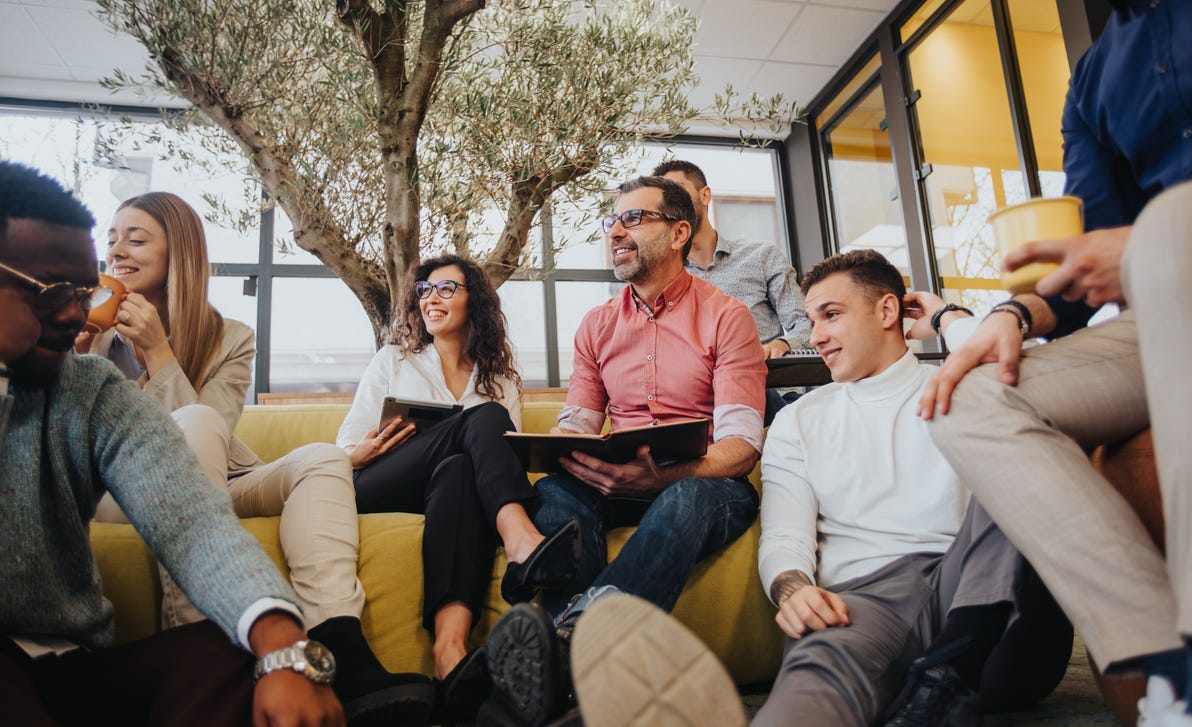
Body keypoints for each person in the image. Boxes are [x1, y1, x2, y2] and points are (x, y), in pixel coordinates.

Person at [917, 3, 1192, 725]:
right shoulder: (1094, 77)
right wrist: (1011, 315)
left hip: (1179, 258)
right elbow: (1092, 253)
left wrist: (1145, 245)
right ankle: (1164, 664)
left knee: (1168, 230)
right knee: (967, 399)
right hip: (1155, 309)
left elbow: (1141, 243)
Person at [0, 160, 343, 725]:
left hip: (73, 661)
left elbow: (190, 518)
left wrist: (284, 648)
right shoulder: (86, 345)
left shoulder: (88, 386)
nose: (71, 309)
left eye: (81, 288)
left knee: (231, 655)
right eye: (52, 291)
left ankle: (338, 645)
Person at [82, 192, 432, 725]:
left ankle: (339, 641)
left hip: (216, 479)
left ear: (179, 250)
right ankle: (201, 648)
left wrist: (159, 353)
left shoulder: (230, 338)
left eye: (135, 238)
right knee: (193, 421)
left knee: (321, 457)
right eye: (111, 239)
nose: (117, 251)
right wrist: (80, 357)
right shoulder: (87, 335)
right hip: (120, 490)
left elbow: (214, 433)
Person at [480, 175, 767, 727]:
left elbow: (741, 446)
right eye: (611, 222)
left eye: (633, 219)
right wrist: (552, 450)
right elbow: (580, 422)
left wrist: (659, 479)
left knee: (684, 495)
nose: (616, 232)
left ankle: (565, 645)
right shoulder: (597, 325)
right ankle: (580, 682)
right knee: (556, 491)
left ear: (680, 232)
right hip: (618, 479)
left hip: (708, 486)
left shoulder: (728, 318)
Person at [752, 249, 1072, 726]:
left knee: (1021, 458)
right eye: (812, 320)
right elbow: (784, 535)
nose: (816, 336)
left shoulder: (964, 387)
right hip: (862, 603)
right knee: (813, 681)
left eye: (831, 315)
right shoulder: (799, 419)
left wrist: (948, 317)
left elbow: (1029, 382)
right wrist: (792, 591)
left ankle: (948, 669)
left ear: (887, 311)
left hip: (984, 601)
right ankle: (930, 689)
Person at [336, 254, 578, 721]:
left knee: (459, 470)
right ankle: (520, 540)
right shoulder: (394, 360)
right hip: (381, 480)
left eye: (447, 289)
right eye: (425, 290)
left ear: (476, 303)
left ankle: (449, 658)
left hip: (450, 490)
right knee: (484, 418)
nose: (432, 298)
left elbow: (502, 460)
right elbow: (346, 446)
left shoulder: (500, 377)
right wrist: (364, 450)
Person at [653, 159, 811, 422]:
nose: (673, 200)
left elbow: (806, 325)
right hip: (698, 405)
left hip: (766, 394)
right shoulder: (662, 276)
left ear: (705, 195)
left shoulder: (761, 256)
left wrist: (782, 344)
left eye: (678, 189)